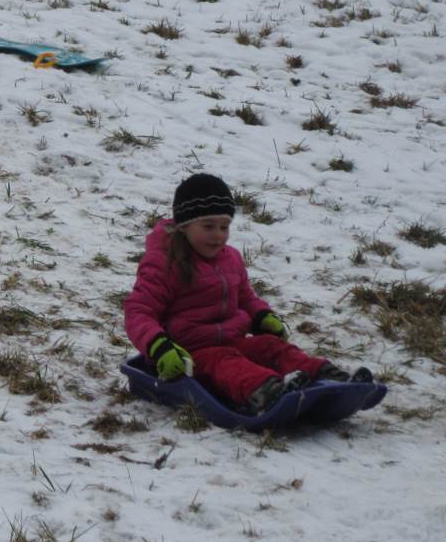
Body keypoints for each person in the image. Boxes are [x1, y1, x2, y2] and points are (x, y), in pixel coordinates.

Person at [124, 173, 373, 414]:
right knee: (227, 362)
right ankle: (265, 391)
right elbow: (139, 311)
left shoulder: (230, 259)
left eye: (224, 226)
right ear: (184, 226)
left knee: (269, 346)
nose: (218, 235)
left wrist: (262, 316)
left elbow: (245, 298)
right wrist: (159, 347)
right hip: (190, 354)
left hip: (233, 340)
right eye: (208, 226)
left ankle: (326, 377)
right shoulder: (165, 263)